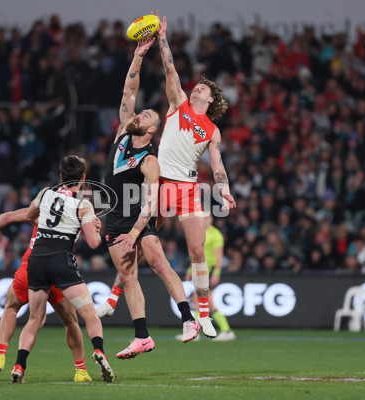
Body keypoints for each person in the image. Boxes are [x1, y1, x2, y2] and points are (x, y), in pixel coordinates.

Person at [97, 37, 200, 359]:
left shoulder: (150, 161)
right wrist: (138, 56)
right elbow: (129, 91)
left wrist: (136, 231)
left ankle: (188, 319)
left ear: (153, 130)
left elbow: (152, 203)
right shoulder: (121, 135)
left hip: (136, 220)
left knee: (157, 262)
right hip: (113, 219)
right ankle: (142, 336)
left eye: (146, 116)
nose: (138, 115)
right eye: (140, 113)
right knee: (128, 277)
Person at [155, 11, 237, 337]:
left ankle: (203, 314)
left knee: (197, 251)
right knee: (143, 239)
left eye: (204, 87)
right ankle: (117, 296)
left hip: (188, 186)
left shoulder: (212, 130)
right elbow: (170, 68)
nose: (197, 86)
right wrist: (162, 36)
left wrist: (225, 189)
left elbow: (217, 165)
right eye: (198, 84)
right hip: (160, 182)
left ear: (211, 98)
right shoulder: (178, 104)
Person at [12, 155, 114, 383]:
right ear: (84, 178)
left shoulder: (46, 193)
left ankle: (19, 365)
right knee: (88, 313)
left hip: (37, 259)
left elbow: (29, 216)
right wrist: (94, 227)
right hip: (61, 259)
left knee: (35, 319)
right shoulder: (83, 204)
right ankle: (99, 351)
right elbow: (94, 243)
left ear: (60, 176)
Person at [0, 208, 100, 383]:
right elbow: (93, 240)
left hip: (32, 265)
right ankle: (80, 370)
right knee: (71, 321)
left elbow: (9, 216)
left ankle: (1, 357)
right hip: (59, 268)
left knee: (14, 308)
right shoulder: (77, 211)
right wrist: (96, 227)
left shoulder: (42, 210)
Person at [178, 212, 236, 341]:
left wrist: (217, 272)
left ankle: (224, 330)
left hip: (208, 271)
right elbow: (195, 254)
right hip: (199, 270)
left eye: (208, 217)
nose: (205, 219)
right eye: (203, 217)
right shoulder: (198, 233)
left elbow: (219, 256)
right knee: (198, 300)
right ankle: (214, 331)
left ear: (211, 219)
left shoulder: (216, 234)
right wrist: (189, 270)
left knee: (204, 300)